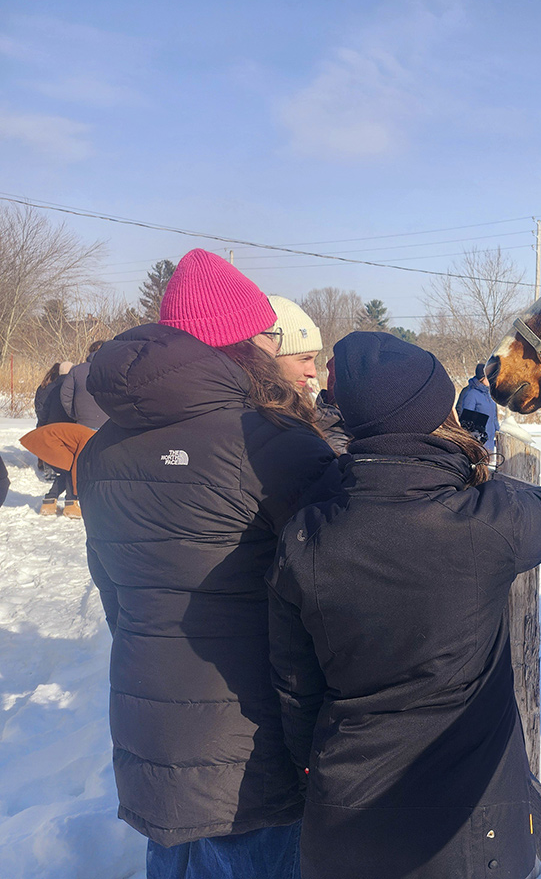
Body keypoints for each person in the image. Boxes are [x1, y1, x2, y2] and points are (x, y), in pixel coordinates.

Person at [267, 331, 541, 879]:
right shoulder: (484, 521)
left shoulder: (305, 539)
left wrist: (312, 769)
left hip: (345, 826)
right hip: (471, 836)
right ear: (438, 413)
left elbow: (296, 688)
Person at [77, 248, 340, 879]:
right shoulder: (274, 444)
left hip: (149, 726)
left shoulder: (100, 451)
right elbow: (331, 591)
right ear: (240, 343)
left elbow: (114, 594)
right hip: (250, 742)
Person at [265, 295, 350, 454]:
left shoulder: (298, 414)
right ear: (271, 357)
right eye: (304, 359)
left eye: (314, 359)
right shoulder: (257, 425)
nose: (313, 372)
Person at [20, 422, 96, 519]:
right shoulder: (89, 440)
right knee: (71, 469)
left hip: (46, 438)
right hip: (46, 439)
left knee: (67, 470)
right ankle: (71, 505)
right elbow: (77, 466)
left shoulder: (92, 437)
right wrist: (76, 492)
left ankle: (49, 503)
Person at [33, 360, 77, 513]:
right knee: (71, 467)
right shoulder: (74, 387)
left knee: (68, 468)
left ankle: (51, 500)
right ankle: (70, 502)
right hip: (70, 432)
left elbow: (42, 412)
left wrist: (43, 426)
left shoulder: (48, 388)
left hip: (51, 432)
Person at [60, 340, 109, 430]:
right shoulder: (114, 369)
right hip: (109, 424)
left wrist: (75, 414)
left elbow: (66, 396)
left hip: (84, 424)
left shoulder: (76, 370)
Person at [455, 361, 500, 451]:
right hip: (479, 442)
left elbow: (494, 417)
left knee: (490, 464)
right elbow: (467, 420)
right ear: (482, 378)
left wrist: (498, 432)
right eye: (488, 377)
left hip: (490, 441)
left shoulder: (490, 395)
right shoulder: (471, 394)